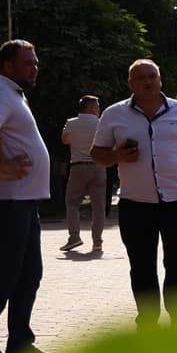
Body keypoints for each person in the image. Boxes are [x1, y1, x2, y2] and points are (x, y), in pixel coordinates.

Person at [92, 59, 177, 326]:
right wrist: (117, 155)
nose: (148, 81)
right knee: (141, 266)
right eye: (141, 77)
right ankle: (148, 323)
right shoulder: (114, 115)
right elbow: (97, 154)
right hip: (135, 205)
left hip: (176, 203)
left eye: (153, 76)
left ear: (160, 80)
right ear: (131, 84)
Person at [0, 40, 55, 353]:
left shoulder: (11, 91)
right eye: (28, 63)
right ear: (7, 65)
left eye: (35, 63)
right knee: (3, 275)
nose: (34, 68)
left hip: (20, 200)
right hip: (6, 201)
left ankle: (20, 343)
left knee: (28, 273)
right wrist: (2, 162)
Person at [60, 94, 106, 253]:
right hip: (99, 167)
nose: (99, 110)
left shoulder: (71, 123)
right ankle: (97, 242)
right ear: (92, 108)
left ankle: (74, 237)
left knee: (72, 202)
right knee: (98, 206)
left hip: (78, 167)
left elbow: (65, 140)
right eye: (98, 107)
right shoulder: (101, 124)